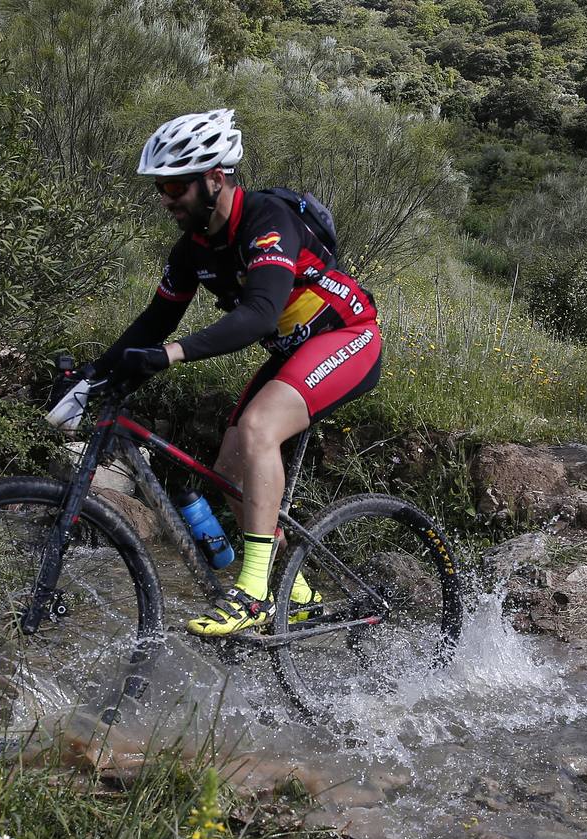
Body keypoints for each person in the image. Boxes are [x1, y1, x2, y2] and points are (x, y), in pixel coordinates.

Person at [73, 109, 381, 636]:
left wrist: (170, 355)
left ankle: (255, 592)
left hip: (347, 337)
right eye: (159, 188)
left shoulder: (266, 221)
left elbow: (258, 314)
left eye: (174, 186)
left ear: (215, 178)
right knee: (230, 466)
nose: (165, 199)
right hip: (295, 351)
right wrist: (92, 376)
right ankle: (299, 597)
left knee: (260, 429)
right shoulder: (193, 249)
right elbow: (156, 318)